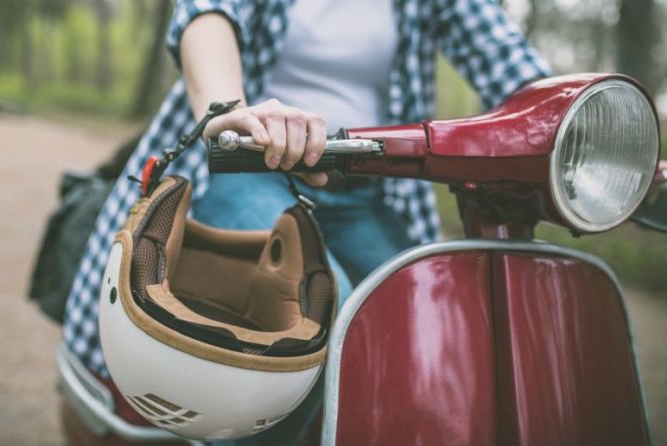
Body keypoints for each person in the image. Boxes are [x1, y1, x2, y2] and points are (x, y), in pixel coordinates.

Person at [63, 0, 550, 443]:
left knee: (436, 326)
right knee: (313, 314)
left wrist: (572, 126)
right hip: (252, 168)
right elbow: (208, 13)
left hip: (369, 189)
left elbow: (505, 58)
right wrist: (229, 111)